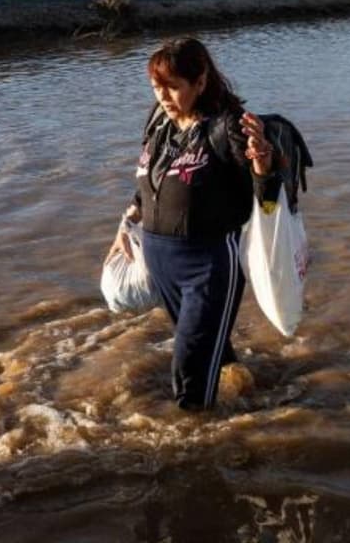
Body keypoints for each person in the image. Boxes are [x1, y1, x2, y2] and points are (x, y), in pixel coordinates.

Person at [110, 36, 280, 411]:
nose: (163, 97)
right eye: (157, 88)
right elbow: (145, 186)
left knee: (188, 366)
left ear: (200, 82)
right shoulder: (160, 124)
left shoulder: (227, 128)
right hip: (161, 261)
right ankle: (250, 392)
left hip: (207, 264)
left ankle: (198, 442)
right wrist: (125, 224)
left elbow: (266, 194)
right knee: (208, 351)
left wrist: (262, 162)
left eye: (173, 87)